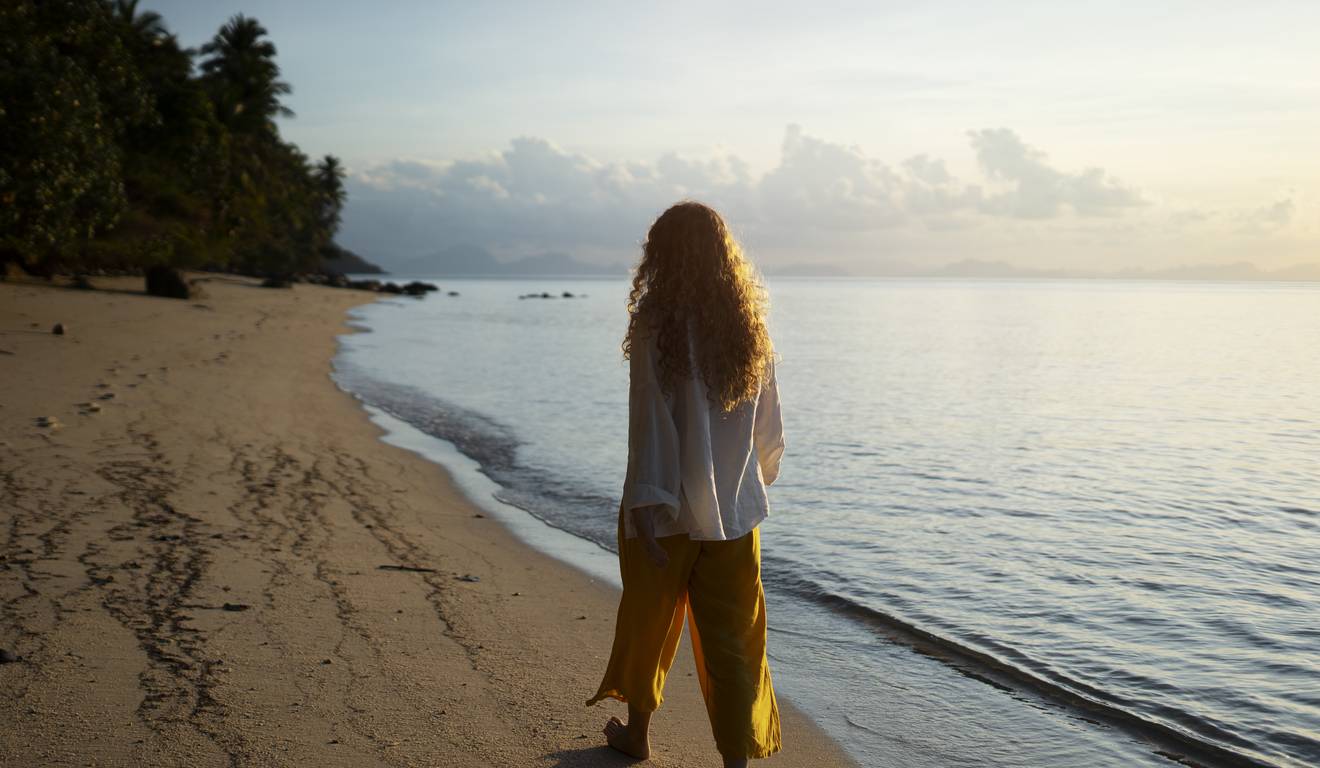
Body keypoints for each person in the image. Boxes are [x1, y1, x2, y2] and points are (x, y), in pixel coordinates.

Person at [586, 201, 785, 767]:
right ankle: (735, 761)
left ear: (660, 254)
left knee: (649, 622)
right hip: (734, 512)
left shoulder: (655, 319)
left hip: (666, 507)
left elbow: (650, 416)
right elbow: (768, 418)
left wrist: (649, 501)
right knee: (734, 640)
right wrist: (757, 476)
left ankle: (638, 733)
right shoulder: (748, 322)